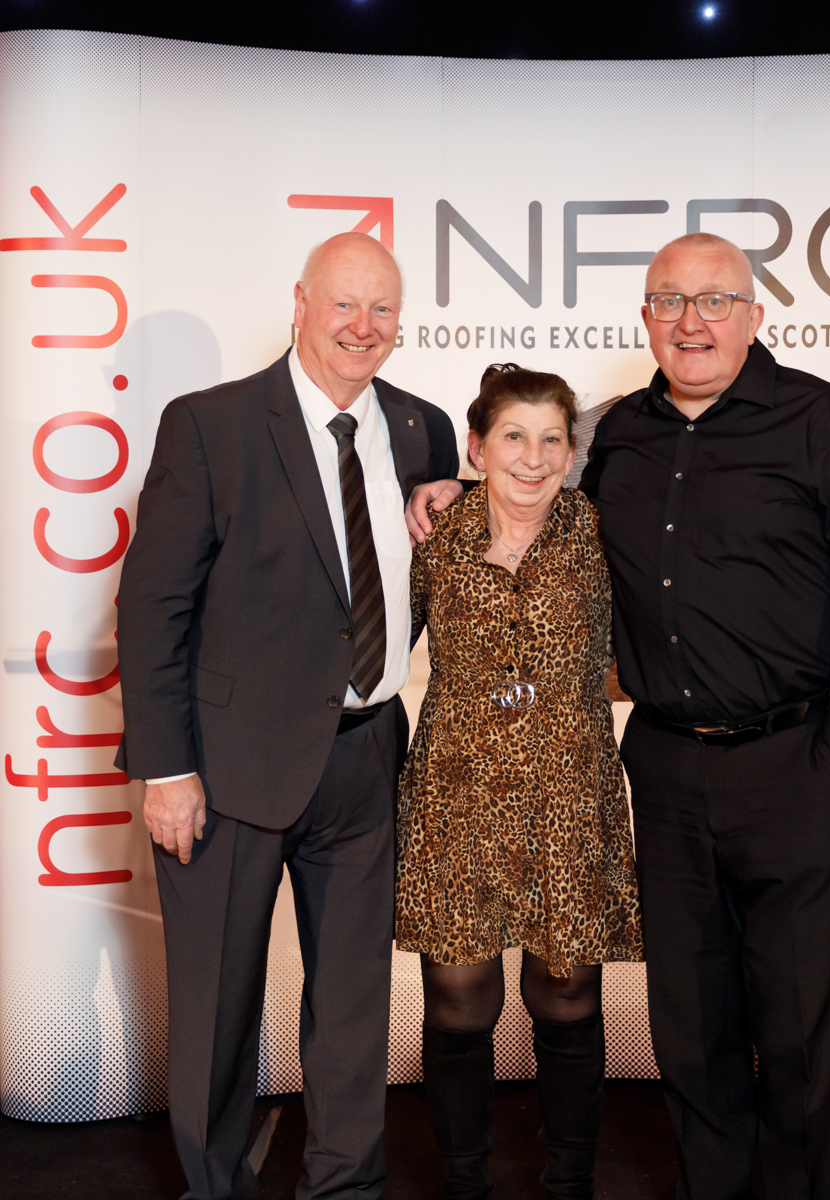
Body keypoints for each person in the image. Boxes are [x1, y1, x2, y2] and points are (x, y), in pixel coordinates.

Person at [407, 233, 830, 1200]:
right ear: (646, 318)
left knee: (799, 1033)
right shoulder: (619, 434)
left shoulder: (824, 422)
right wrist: (452, 487)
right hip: (668, 769)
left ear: (754, 315)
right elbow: (533, 488)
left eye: (715, 300)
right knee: (691, 1029)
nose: (692, 322)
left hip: (796, 765)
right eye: (670, 302)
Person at [116, 232, 459, 1200]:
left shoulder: (423, 429)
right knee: (218, 1006)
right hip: (227, 769)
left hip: (367, 757)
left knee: (352, 1006)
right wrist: (167, 769)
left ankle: (344, 1186)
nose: (362, 327)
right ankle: (215, 1185)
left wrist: (461, 494)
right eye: (344, 304)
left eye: (382, 309)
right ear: (301, 304)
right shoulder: (211, 425)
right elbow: (153, 606)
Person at [396, 364, 642, 1200]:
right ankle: (464, 1182)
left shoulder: (601, 532)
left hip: (569, 794)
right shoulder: (435, 532)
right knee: (459, 1000)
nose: (532, 458)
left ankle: (569, 1181)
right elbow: (376, 647)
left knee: (566, 994)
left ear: (573, 453)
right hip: (457, 795)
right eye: (513, 437)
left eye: (550, 440)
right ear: (477, 447)